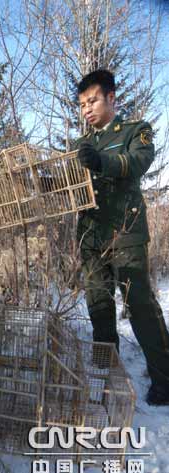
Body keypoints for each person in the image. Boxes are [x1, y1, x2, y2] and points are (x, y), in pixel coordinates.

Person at [75, 69, 169, 405]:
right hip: (90, 236)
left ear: (111, 98)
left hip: (125, 232)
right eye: (82, 104)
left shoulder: (135, 131)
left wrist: (101, 161)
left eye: (93, 100)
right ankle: (106, 372)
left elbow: (138, 162)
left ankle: (164, 378)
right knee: (98, 305)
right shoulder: (82, 144)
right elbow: (71, 185)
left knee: (139, 305)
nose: (86, 109)